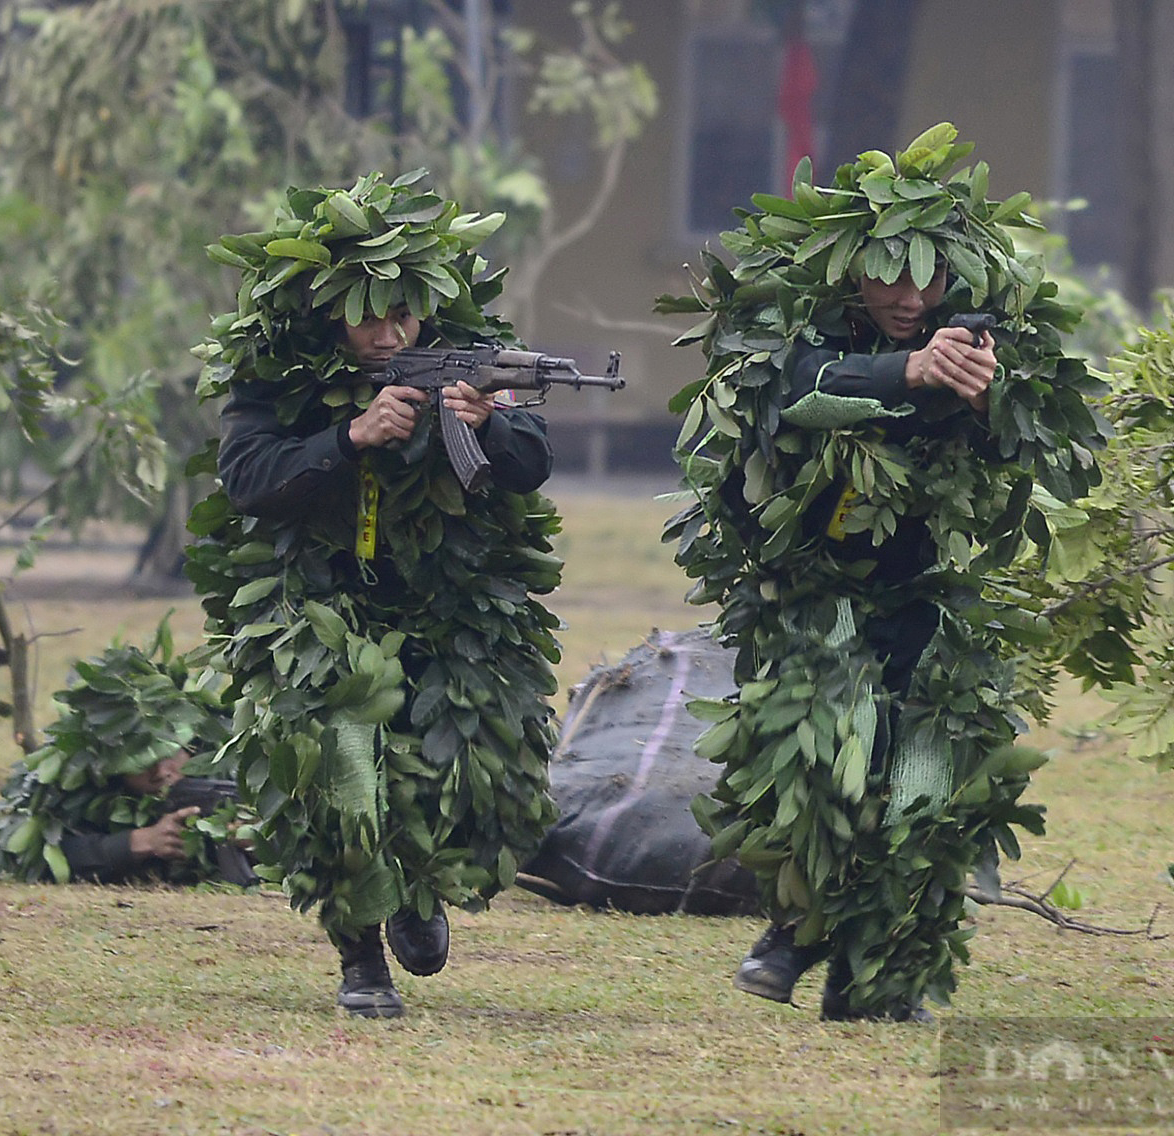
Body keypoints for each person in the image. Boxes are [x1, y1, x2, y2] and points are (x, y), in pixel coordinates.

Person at [659, 124, 1103, 1021]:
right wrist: (908, 369)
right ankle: (790, 934)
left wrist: (984, 394)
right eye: (888, 274)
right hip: (806, 589)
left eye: (928, 276)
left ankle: (879, 981)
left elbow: (1035, 440)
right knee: (825, 758)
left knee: (931, 781)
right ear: (848, 268)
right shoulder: (784, 321)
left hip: (922, 590)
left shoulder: (978, 332)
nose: (909, 296)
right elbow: (790, 390)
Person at [187, 171, 563, 1019]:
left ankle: (419, 891)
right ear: (329, 310)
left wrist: (485, 422)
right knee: (342, 775)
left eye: (407, 313)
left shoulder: (473, 359)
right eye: (371, 314)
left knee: (458, 770)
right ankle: (361, 961)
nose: (393, 332)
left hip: (450, 609)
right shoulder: (273, 377)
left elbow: (532, 462)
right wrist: (349, 437)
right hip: (319, 608)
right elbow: (247, 479)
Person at [0, 638, 254, 885]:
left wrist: (256, 843)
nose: (159, 773)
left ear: (191, 745)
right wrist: (136, 843)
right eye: (139, 766)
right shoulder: (83, 787)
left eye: (169, 756)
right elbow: (27, 857)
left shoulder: (228, 763)